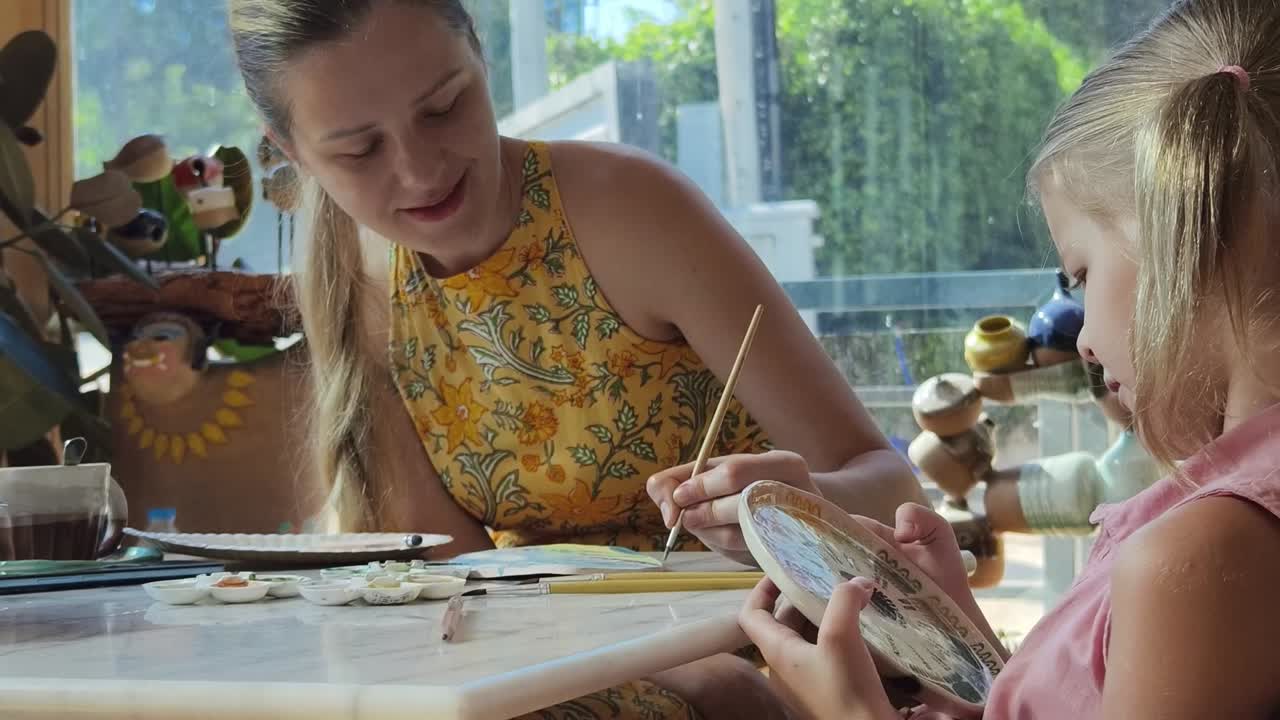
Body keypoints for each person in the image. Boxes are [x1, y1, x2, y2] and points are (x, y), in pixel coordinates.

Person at [227, 1, 924, 717]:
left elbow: (895, 489)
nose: (418, 170)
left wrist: (787, 510)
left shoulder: (628, 210)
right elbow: (466, 583)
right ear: (288, 147)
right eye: (359, 150)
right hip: (561, 662)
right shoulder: (357, 278)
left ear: (479, 53)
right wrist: (681, 668)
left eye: (443, 107)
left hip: (782, 661)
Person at [738, 1, 1280, 718]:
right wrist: (967, 650)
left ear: (1188, 239)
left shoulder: (1201, 557)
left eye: (1080, 273)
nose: (1082, 338)